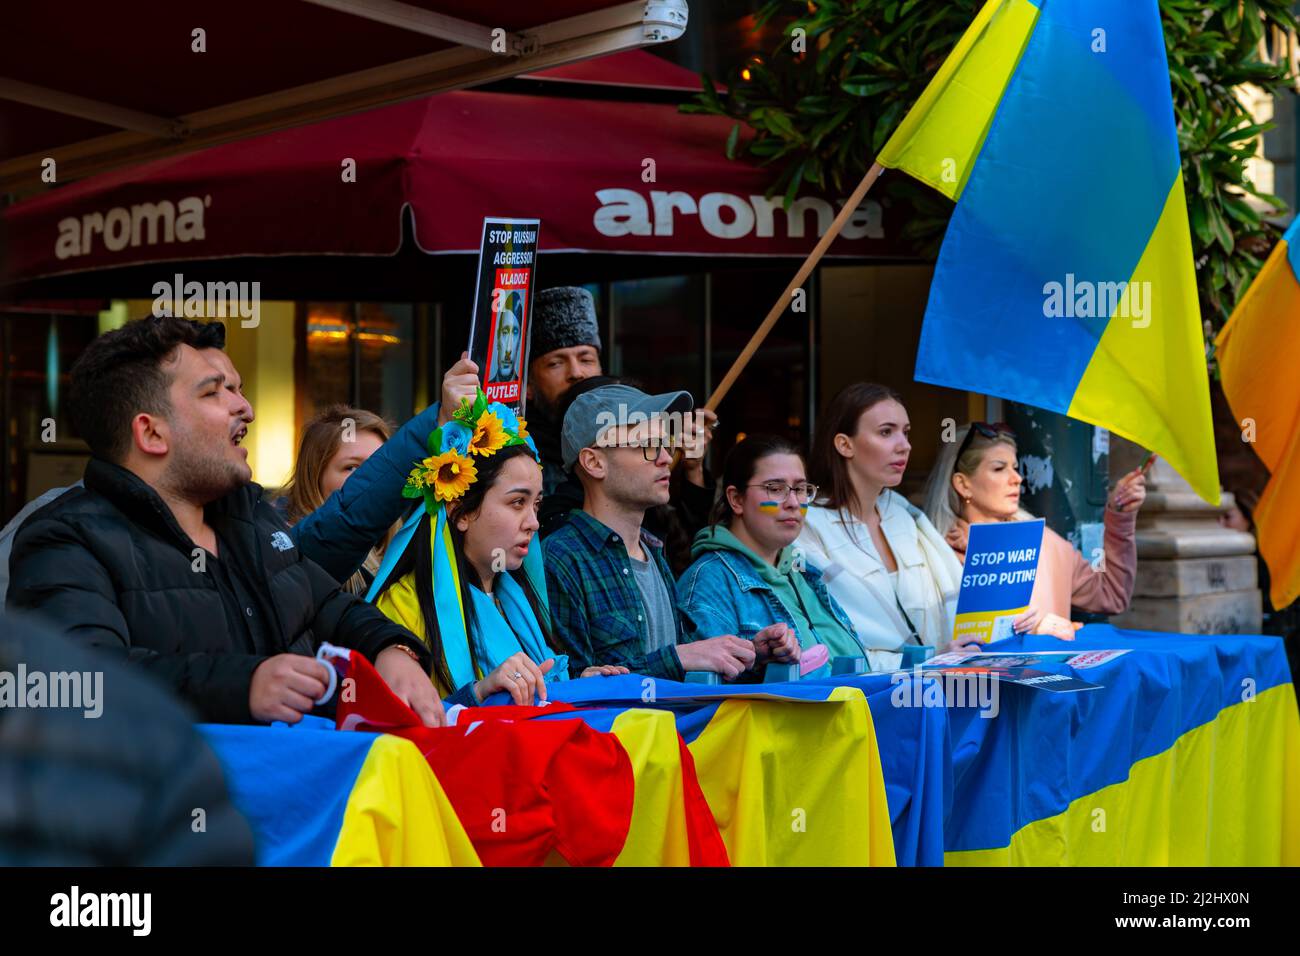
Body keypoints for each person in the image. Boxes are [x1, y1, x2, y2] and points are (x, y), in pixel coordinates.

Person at [6, 317, 444, 727]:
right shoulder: (64, 541)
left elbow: (331, 606)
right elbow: (82, 683)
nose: (246, 409)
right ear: (152, 433)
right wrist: (242, 686)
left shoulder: (249, 520)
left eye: (236, 389)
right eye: (214, 392)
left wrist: (393, 649)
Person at [371, 388, 627, 707]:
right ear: (460, 512)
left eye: (536, 505)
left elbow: (540, 694)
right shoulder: (403, 604)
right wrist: (478, 694)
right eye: (517, 502)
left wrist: (578, 687)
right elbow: (394, 724)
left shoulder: (519, 596)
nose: (533, 522)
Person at [544, 383, 758, 680]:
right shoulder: (561, 558)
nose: (666, 458)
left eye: (665, 444)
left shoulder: (652, 548)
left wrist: (749, 653)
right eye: (646, 446)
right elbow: (570, 687)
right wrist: (679, 658)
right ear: (594, 462)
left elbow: (679, 668)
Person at [526, 288, 717, 568]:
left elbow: (687, 546)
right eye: (556, 362)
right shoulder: (561, 551)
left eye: (586, 358)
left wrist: (693, 468)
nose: (576, 372)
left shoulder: (649, 552)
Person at [797, 383, 975, 671]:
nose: (904, 445)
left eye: (905, 432)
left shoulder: (905, 516)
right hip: (869, 700)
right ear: (845, 444)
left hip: (939, 691)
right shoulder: (808, 527)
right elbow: (824, 643)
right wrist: (929, 660)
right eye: (886, 432)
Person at [920, 422, 1143, 639]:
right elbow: (938, 642)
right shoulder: (936, 553)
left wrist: (1119, 514)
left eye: (1015, 468)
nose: (1017, 478)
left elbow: (1112, 594)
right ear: (963, 484)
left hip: (1050, 675)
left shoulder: (1046, 542)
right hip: (979, 677)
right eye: (999, 468)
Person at [677, 435, 864, 680]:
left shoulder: (803, 571)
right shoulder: (709, 581)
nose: (794, 502)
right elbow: (712, 699)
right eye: (775, 489)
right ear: (736, 499)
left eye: (801, 489)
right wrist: (758, 660)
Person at [279, 405, 396, 595]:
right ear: (315, 476)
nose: (372, 479)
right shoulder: (291, 554)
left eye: (380, 466)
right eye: (352, 468)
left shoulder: (400, 544)